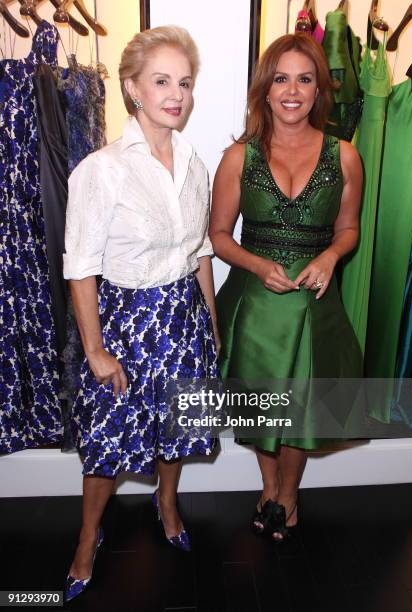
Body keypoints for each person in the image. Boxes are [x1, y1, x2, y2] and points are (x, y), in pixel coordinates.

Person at [63, 26, 219, 601]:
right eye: (161, 82)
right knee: (110, 440)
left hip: (184, 317)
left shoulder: (194, 162)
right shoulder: (100, 170)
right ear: (132, 89)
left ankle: (167, 501)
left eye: (184, 82)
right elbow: (80, 266)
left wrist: (211, 321)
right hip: (127, 322)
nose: (176, 94)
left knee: (178, 426)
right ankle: (87, 536)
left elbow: (200, 249)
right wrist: (97, 350)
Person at [209, 33, 363, 541]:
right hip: (255, 304)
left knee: (298, 407)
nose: (292, 91)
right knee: (261, 404)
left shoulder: (344, 156)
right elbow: (217, 236)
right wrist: (256, 265)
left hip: (313, 303)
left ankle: (288, 495)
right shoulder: (238, 156)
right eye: (281, 79)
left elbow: (348, 229)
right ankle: (268, 486)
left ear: (320, 90)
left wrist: (330, 255)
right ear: (265, 88)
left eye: (305, 79)